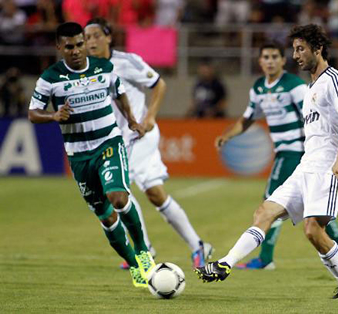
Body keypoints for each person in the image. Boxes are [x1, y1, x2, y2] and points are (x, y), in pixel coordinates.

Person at [196, 24, 338, 299]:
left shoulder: (334, 80)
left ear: (318, 49)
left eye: (301, 49)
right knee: (264, 211)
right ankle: (226, 263)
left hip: (327, 169)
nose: (295, 55)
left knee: (313, 229)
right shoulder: (311, 87)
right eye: (294, 49)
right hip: (306, 165)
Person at [28, 22, 155, 288]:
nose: (75, 50)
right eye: (69, 46)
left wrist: (131, 119)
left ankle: (143, 251)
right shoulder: (50, 78)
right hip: (78, 155)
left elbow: (119, 93)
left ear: (85, 43)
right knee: (106, 216)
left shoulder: (104, 68)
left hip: (108, 142)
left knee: (118, 198)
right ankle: (133, 265)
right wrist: (53, 115)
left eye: (79, 44)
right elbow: (32, 113)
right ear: (59, 47)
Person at [84, 18, 214, 269]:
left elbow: (158, 84)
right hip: (114, 140)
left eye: (96, 35)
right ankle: (198, 245)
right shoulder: (86, 71)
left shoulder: (125, 62)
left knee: (119, 192)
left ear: (109, 37)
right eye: (87, 37)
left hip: (138, 135)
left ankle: (146, 250)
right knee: (156, 195)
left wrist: (151, 116)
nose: (91, 41)